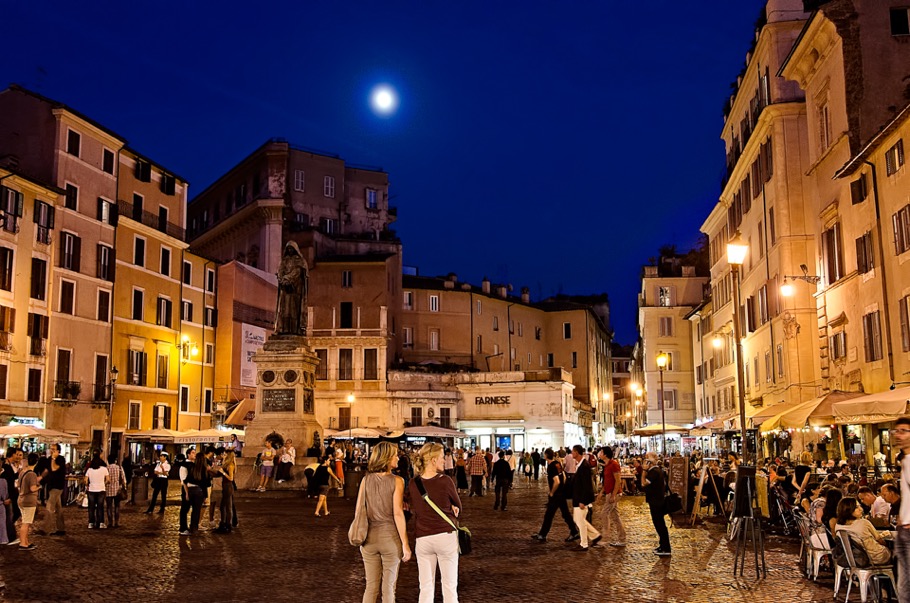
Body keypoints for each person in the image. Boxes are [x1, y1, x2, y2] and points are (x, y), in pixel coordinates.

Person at [407, 443, 461, 603]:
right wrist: (452, 507)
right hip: (445, 536)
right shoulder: (445, 481)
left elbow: (412, 506)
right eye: (442, 458)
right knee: (449, 587)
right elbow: (459, 506)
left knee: (425, 587)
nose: (444, 461)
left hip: (423, 538)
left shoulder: (413, 483)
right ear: (432, 460)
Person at [358, 442, 411, 603]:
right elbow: (397, 513)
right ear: (387, 458)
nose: (397, 457)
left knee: (371, 587)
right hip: (390, 538)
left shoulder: (365, 480)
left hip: (368, 539)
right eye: (395, 455)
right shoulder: (397, 481)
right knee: (388, 589)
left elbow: (359, 510)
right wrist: (405, 544)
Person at [532, 449, 578, 543]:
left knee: (549, 515)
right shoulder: (557, 463)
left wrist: (552, 492)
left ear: (546, 455)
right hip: (561, 493)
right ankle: (574, 531)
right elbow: (564, 477)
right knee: (565, 514)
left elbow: (557, 481)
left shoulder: (551, 467)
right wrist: (562, 488)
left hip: (556, 494)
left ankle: (542, 535)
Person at [835, 496, 891, 566]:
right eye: (856, 507)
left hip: (855, 557)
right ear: (848, 510)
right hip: (876, 557)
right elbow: (880, 540)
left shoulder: (838, 526)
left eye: (860, 506)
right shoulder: (864, 523)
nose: (861, 509)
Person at [891, 418, 910, 603]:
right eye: (897, 431)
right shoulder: (904, 460)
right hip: (903, 530)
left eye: (904, 431)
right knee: (904, 587)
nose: (899, 435)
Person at [569, 444, 600, 551]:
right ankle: (595, 535)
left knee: (580, 521)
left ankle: (584, 544)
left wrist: (583, 500)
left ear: (577, 452)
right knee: (578, 519)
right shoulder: (580, 465)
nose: (571, 453)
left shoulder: (584, 466)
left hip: (581, 499)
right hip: (578, 498)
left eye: (573, 451)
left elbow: (587, 485)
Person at [641, 451, 670, 556]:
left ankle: (665, 548)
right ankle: (663, 545)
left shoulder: (654, 472)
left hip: (656, 502)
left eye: (646, 459)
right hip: (657, 500)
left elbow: (643, 483)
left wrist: (644, 471)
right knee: (659, 524)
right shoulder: (657, 470)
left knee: (659, 525)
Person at [596, 446, 626, 547]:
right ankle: (622, 539)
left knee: (604, 513)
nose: (599, 453)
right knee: (615, 517)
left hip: (614, 494)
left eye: (601, 452)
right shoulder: (607, 465)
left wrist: (613, 495)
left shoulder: (614, 464)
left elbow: (618, 481)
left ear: (605, 454)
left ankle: (605, 539)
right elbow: (607, 481)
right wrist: (601, 492)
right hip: (610, 493)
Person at [182, 451, 211, 535]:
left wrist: (187, 493)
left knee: (190, 510)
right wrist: (206, 495)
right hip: (199, 491)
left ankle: (189, 528)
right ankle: (194, 528)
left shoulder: (192, 467)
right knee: (196, 511)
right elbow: (206, 484)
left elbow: (185, 480)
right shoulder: (204, 470)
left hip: (191, 490)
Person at [16, 452, 40, 550]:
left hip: (21, 499)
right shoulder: (32, 474)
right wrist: (39, 487)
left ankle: (26, 541)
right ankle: (23, 543)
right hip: (29, 501)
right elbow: (32, 488)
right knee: (26, 523)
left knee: (25, 521)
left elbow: (18, 485)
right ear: (36, 462)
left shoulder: (22, 472)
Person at [85, 453, 109, 529]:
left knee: (91, 507)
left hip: (92, 489)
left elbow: (85, 480)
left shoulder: (89, 470)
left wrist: (88, 485)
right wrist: (103, 483)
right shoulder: (104, 469)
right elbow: (108, 480)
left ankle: (91, 523)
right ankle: (101, 523)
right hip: (101, 489)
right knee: (100, 507)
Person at [214, 450, 236, 534]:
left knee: (227, 506)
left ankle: (228, 524)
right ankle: (223, 523)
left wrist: (223, 473)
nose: (223, 455)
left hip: (228, 486)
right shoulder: (226, 464)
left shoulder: (230, 465)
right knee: (223, 506)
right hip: (225, 486)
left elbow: (231, 478)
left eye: (225, 454)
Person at [44, 455, 66, 536]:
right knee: (58, 508)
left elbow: (54, 468)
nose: (51, 451)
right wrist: (40, 478)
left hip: (57, 486)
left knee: (49, 507)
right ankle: (61, 528)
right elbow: (47, 470)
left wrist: (53, 459)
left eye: (54, 449)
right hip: (51, 486)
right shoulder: (49, 458)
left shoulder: (60, 459)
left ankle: (45, 529)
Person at [105, 454, 127, 528]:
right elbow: (124, 479)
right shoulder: (119, 468)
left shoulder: (106, 468)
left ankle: (110, 522)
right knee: (117, 506)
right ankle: (116, 522)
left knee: (109, 507)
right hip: (118, 490)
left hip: (108, 490)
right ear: (115, 460)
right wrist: (125, 487)